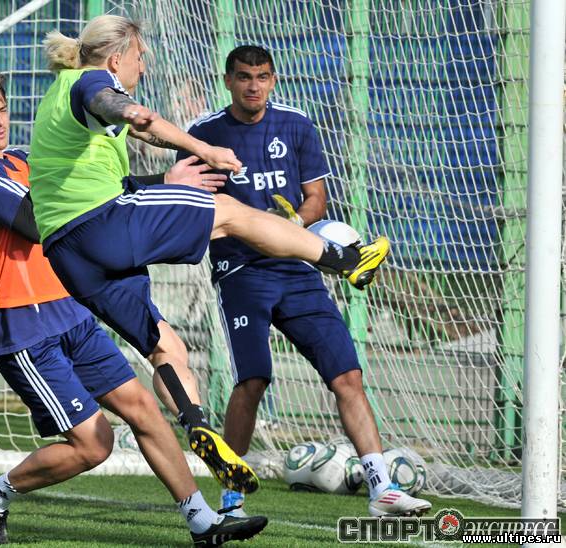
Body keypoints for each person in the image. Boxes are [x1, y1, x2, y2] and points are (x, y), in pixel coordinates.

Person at [26, 14, 377, 499]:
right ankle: (342, 259)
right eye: (141, 57)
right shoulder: (92, 83)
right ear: (116, 58)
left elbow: (135, 135)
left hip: (70, 255)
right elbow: (133, 115)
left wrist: (162, 178)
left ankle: (197, 427)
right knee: (229, 212)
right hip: (102, 224)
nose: (144, 66)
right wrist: (203, 149)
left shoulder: (58, 95)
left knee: (166, 347)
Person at [0, 74, 268, 546]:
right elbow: (40, 222)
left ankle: (202, 521)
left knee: (145, 409)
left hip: (71, 313)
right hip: (23, 328)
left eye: (1, 111)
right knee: (94, 446)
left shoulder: (23, 159)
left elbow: (94, 199)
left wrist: (163, 182)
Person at [176, 45, 432, 519]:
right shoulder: (204, 134)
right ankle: (231, 500)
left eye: (263, 77)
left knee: (348, 376)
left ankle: (382, 489)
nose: (254, 85)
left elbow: (316, 198)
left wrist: (292, 221)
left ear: (273, 80)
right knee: (253, 380)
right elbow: (188, 200)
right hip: (241, 273)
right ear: (228, 80)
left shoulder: (296, 124)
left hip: (298, 268)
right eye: (244, 77)